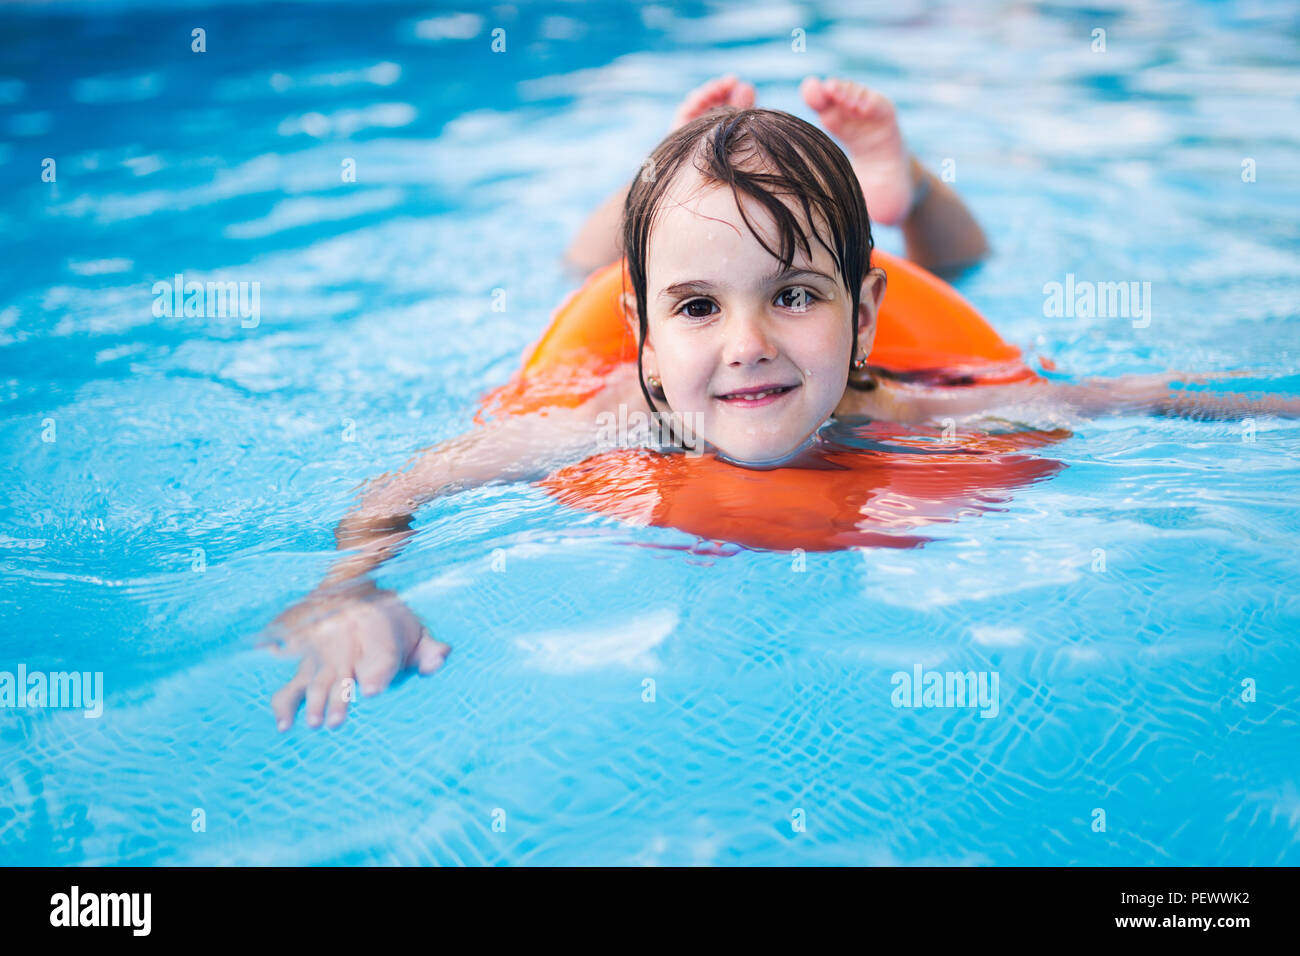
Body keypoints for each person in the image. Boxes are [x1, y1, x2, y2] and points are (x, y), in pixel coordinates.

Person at [264, 75, 1298, 731]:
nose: (748, 344)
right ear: (647, 334)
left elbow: (1130, 398)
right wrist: (349, 591)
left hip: (890, 295)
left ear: (860, 314)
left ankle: (909, 196)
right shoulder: (604, 414)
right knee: (571, 270)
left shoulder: (915, 410)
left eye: (796, 295)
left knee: (966, 268)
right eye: (700, 306)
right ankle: (665, 170)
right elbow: (406, 484)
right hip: (608, 315)